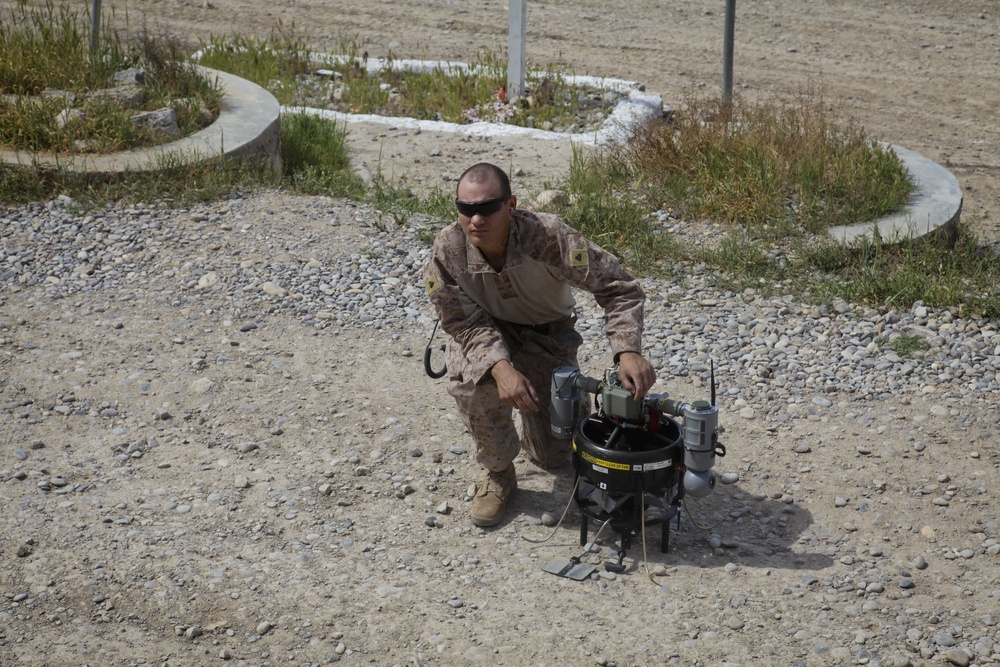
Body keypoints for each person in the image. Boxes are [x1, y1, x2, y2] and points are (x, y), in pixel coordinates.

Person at [423, 162, 656, 527]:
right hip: (485, 330)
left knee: (554, 456)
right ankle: (499, 471)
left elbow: (619, 288)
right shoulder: (448, 248)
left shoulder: (547, 237)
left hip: (546, 333)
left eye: (487, 208)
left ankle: (540, 429)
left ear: (510, 204)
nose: (475, 219)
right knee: (472, 381)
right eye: (466, 209)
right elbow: (459, 321)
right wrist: (501, 370)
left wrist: (627, 350)